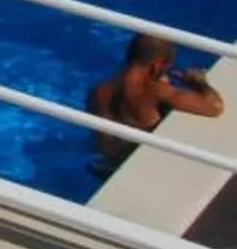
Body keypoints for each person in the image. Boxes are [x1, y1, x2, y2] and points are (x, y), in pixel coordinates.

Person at [88, 33, 221, 174]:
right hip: (142, 168)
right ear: (155, 66)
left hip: (106, 168)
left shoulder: (97, 92)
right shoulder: (155, 91)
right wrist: (198, 82)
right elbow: (215, 107)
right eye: (167, 66)